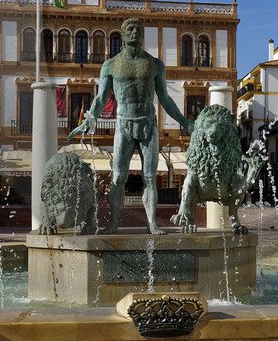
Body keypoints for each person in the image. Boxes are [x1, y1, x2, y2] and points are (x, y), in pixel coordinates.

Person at [70, 16, 194, 234]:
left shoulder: (155, 65)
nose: (135, 31)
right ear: (123, 34)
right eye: (130, 29)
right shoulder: (111, 65)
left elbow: (165, 98)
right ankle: (114, 222)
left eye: (138, 28)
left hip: (148, 125)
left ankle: (151, 223)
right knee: (118, 176)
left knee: (149, 177)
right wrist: (87, 122)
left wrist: (184, 122)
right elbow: (100, 99)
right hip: (124, 125)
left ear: (143, 34)